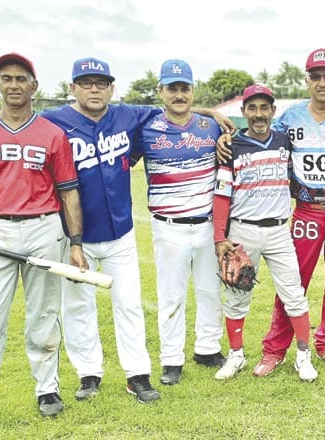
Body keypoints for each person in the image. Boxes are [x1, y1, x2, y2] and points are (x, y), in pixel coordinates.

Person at [0, 57, 235, 403]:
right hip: (74, 234)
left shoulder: (128, 115)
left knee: (129, 303)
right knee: (77, 307)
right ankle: (89, 374)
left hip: (120, 230)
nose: (94, 89)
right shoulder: (52, 119)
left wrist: (210, 112)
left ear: (111, 88)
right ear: (72, 87)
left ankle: (137, 374)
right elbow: (14, 115)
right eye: (86, 83)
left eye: (101, 83)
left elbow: (175, 108)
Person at [0, 53, 87, 430]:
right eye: (6, 78)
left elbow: (69, 192)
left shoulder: (52, 134)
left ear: (33, 87)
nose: (13, 85)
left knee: (42, 316)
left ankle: (47, 390)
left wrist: (75, 242)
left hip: (43, 228)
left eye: (21, 79)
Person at [254, 48, 325, 375]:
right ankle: (275, 349)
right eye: (316, 77)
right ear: (307, 80)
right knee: (292, 281)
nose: (322, 83)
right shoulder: (289, 118)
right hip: (307, 212)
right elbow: (258, 136)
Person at [212, 84, 318, 382]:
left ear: (273, 111)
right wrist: (220, 238)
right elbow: (221, 196)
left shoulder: (285, 140)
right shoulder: (231, 146)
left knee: (294, 295)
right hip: (242, 230)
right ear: (243, 112)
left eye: (264, 108)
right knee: (236, 296)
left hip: (278, 231)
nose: (258, 114)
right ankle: (236, 356)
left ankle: (303, 356)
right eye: (252, 108)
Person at [131, 59, 227, 385]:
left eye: (184, 88)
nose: (179, 95)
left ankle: (208, 348)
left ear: (192, 90)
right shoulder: (146, 127)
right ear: (161, 91)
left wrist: (213, 113)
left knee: (209, 289)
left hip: (207, 223)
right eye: (172, 88)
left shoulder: (209, 126)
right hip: (168, 224)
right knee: (171, 294)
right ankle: (172, 360)